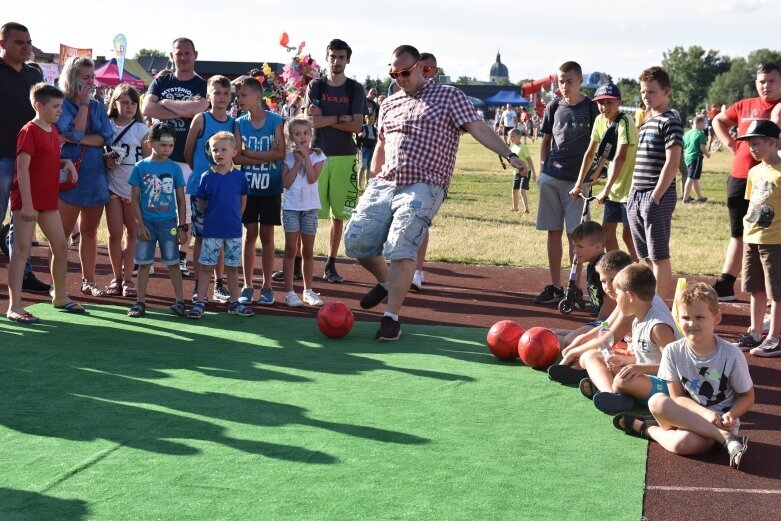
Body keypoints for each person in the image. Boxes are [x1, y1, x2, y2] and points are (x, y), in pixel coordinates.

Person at [344, 44, 528, 341]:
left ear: (420, 67)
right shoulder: (389, 103)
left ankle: (391, 318)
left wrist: (510, 154)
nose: (400, 78)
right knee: (356, 242)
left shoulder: (448, 96)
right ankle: (389, 282)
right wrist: (374, 175)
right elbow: (382, 142)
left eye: (405, 72)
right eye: (394, 73)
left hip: (425, 183)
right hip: (386, 181)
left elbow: (479, 128)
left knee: (402, 245)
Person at [613, 282, 753, 471]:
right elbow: (677, 396)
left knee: (683, 444)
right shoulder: (673, 351)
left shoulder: (731, 354)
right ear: (677, 318)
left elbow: (748, 396)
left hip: (719, 423)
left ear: (717, 318)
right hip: (689, 415)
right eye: (685, 317)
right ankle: (726, 439)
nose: (692, 324)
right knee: (656, 401)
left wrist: (730, 415)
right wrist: (705, 413)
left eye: (700, 317)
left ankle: (647, 429)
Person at [6, 83, 85, 323]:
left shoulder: (51, 131)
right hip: (27, 202)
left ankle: (60, 296)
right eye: (55, 106)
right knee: (21, 253)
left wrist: (65, 163)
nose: (60, 110)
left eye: (60, 106)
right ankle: (14, 306)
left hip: (48, 202)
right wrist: (27, 205)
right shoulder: (29, 131)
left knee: (61, 247)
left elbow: (48, 158)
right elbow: (22, 167)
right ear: (39, 106)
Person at [711, 63, 781, 302]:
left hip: (772, 181)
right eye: (762, 81)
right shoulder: (745, 104)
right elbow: (718, 121)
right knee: (740, 232)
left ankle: (772, 295)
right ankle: (727, 282)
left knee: (770, 236)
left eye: (771, 81)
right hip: (741, 177)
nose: (766, 85)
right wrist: (732, 145)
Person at [142, 37, 209, 277]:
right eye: (178, 53)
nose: (182, 57)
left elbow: (198, 109)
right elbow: (147, 108)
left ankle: (180, 257)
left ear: (195, 55)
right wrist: (185, 108)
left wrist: (168, 102)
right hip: (161, 157)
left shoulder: (202, 84)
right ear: (171, 56)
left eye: (187, 53)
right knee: (156, 207)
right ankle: (150, 255)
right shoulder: (161, 79)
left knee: (186, 212)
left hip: (188, 156)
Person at [534, 61, 598, 305]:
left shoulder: (591, 108)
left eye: (569, 81)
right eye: (561, 81)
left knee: (577, 237)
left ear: (581, 81)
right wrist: (542, 170)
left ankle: (575, 287)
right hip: (551, 176)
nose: (564, 86)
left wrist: (593, 174)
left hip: (576, 183)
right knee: (553, 231)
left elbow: (599, 144)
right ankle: (556, 286)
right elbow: (546, 140)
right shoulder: (554, 106)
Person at [305, 39, 368, 284]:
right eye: (332, 56)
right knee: (309, 213)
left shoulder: (355, 89)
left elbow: (356, 125)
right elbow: (310, 122)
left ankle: (331, 264)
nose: (336, 61)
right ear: (326, 57)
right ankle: (301, 262)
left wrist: (327, 118)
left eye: (341, 57)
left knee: (338, 215)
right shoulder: (316, 86)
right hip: (316, 155)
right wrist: (341, 117)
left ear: (348, 60)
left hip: (345, 155)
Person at [581, 264, 680, 414]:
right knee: (591, 356)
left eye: (618, 295)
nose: (616, 301)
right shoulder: (636, 320)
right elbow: (644, 358)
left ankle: (614, 391)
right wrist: (625, 362)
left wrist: (641, 368)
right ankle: (613, 394)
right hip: (643, 376)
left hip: (664, 384)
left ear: (629, 296)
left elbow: (677, 366)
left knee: (622, 380)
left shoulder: (658, 326)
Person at [56, 56, 114, 297]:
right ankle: (56, 284)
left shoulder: (99, 106)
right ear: (72, 78)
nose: (91, 82)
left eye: (93, 77)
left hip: (95, 177)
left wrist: (78, 138)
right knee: (61, 234)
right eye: (85, 77)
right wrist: (82, 105)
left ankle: (89, 281)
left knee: (89, 233)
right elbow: (68, 131)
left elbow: (106, 136)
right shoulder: (62, 104)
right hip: (68, 177)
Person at [0, 21, 51, 294]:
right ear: (3, 43)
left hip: (29, 161)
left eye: (28, 42)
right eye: (20, 42)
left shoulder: (35, 73)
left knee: (23, 221)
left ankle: (24, 274)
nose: (26, 47)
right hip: (1, 158)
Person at [626, 66, 683, 299]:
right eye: (642, 92)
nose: (645, 97)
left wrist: (656, 195)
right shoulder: (647, 121)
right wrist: (632, 195)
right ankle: (650, 303)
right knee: (646, 256)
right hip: (637, 195)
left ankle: (660, 308)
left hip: (655, 195)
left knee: (659, 255)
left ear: (665, 91)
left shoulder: (671, 121)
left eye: (651, 92)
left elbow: (673, 162)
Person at [233, 76, 286, 306]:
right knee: (249, 235)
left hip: (271, 188)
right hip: (247, 189)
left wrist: (250, 155)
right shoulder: (239, 123)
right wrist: (264, 155)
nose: (240, 99)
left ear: (258, 96)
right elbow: (236, 156)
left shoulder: (276, 121)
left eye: (244, 95)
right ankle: (247, 284)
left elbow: (280, 154)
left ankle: (267, 286)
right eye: (239, 96)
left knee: (267, 237)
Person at [571, 83, 638, 261]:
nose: (604, 107)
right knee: (607, 234)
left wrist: (606, 190)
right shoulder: (600, 121)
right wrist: (579, 184)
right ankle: (621, 270)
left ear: (619, 102)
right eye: (601, 103)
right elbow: (591, 152)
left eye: (609, 102)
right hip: (614, 188)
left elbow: (621, 157)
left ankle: (641, 273)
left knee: (629, 235)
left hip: (629, 188)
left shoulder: (625, 121)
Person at [126, 123, 188, 318]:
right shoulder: (140, 167)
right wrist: (140, 224)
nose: (167, 150)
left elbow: (180, 200)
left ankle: (180, 301)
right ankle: (140, 302)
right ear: (150, 143)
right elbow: (134, 199)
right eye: (163, 145)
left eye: (170, 146)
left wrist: (182, 226)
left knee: (173, 262)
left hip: (169, 224)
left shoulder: (175, 168)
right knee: (144, 264)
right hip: (147, 225)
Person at [183, 75, 235, 304]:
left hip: (224, 192)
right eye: (217, 92)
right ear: (208, 96)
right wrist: (203, 177)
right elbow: (188, 152)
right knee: (202, 238)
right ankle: (198, 284)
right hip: (201, 190)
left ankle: (219, 284)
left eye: (226, 93)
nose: (221, 97)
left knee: (221, 239)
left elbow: (237, 153)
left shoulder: (234, 123)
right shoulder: (200, 119)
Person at [189, 131, 252, 318]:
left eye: (224, 149)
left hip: (233, 231)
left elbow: (242, 201)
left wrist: (235, 218)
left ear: (234, 152)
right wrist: (211, 216)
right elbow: (201, 201)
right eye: (215, 150)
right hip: (212, 230)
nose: (219, 153)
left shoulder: (239, 177)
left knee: (232, 268)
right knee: (207, 267)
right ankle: (200, 301)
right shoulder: (207, 176)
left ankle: (234, 303)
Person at [732, 119, 781, 356]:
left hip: (775, 241)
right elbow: (753, 204)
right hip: (752, 237)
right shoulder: (754, 171)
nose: (751, 148)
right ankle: (755, 333)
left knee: (776, 292)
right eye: (749, 144)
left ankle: (774, 337)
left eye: (756, 143)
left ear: (772, 142)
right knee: (755, 288)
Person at [548, 250, 634, 383]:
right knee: (585, 354)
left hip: (644, 359)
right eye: (604, 281)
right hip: (635, 351)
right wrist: (580, 341)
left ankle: (606, 388)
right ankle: (584, 372)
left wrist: (574, 351)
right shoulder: (624, 297)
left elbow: (609, 337)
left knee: (591, 355)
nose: (608, 286)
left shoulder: (631, 300)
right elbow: (606, 326)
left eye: (612, 280)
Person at [104, 84, 150, 298]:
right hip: (112, 185)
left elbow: (149, 160)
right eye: (124, 102)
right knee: (114, 234)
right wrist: (107, 161)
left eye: (133, 102)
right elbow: (100, 151)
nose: (129, 106)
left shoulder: (141, 129)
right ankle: (116, 277)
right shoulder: (107, 126)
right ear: (115, 103)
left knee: (132, 233)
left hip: (133, 189)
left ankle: (129, 279)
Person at [281, 118, 327, 307]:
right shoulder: (288, 157)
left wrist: (306, 157)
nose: (302, 137)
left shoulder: (318, 155)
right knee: (291, 249)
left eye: (306, 133)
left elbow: (312, 177)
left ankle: (308, 290)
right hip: (291, 208)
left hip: (309, 209)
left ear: (311, 135)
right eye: (297, 134)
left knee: (307, 250)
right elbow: (286, 182)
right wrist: (296, 161)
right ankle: (290, 292)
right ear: (291, 137)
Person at [410, 51, 442, 291]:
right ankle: (399, 270)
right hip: (403, 170)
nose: (425, 74)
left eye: (430, 70)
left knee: (420, 223)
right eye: (422, 69)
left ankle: (417, 271)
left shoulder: (445, 97)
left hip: (430, 173)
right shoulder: (401, 92)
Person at [550, 221, 612, 344]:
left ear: (598, 248)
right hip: (604, 322)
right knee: (552, 332)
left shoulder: (604, 269)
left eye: (580, 246)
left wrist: (594, 327)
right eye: (574, 246)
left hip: (610, 324)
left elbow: (610, 304)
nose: (574, 251)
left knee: (567, 341)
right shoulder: (592, 265)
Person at [682, 115, 710, 204]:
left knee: (694, 178)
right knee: (691, 177)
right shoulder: (700, 133)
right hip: (696, 157)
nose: (704, 126)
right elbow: (702, 147)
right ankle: (685, 199)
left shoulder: (687, 133)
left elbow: (684, 146)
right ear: (699, 123)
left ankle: (699, 197)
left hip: (687, 157)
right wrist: (707, 154)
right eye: (704, 124)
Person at [508, 128, 535, 213]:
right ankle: (515, 208)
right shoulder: (512, 148)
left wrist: (534, 173)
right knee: (514, 190)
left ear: (519, 137)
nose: (510, 138)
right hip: (516, 172)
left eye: (512, 136)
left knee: (522, 190)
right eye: (510, 136)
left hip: (525, 172)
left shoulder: (523, 147)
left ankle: (526, 209)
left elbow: (529, 160)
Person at [357, 112, 377, 191]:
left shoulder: (374, 129)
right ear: (366, 119)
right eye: (370, 119)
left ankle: (367, 183)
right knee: (363, 166)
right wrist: (361, 134)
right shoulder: (363, 127)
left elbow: (376, 138)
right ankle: (359, 184)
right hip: (365, 148)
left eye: (373, 119)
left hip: (372, 148)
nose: (371, 120)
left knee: (369, 166)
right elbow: (358, 134)